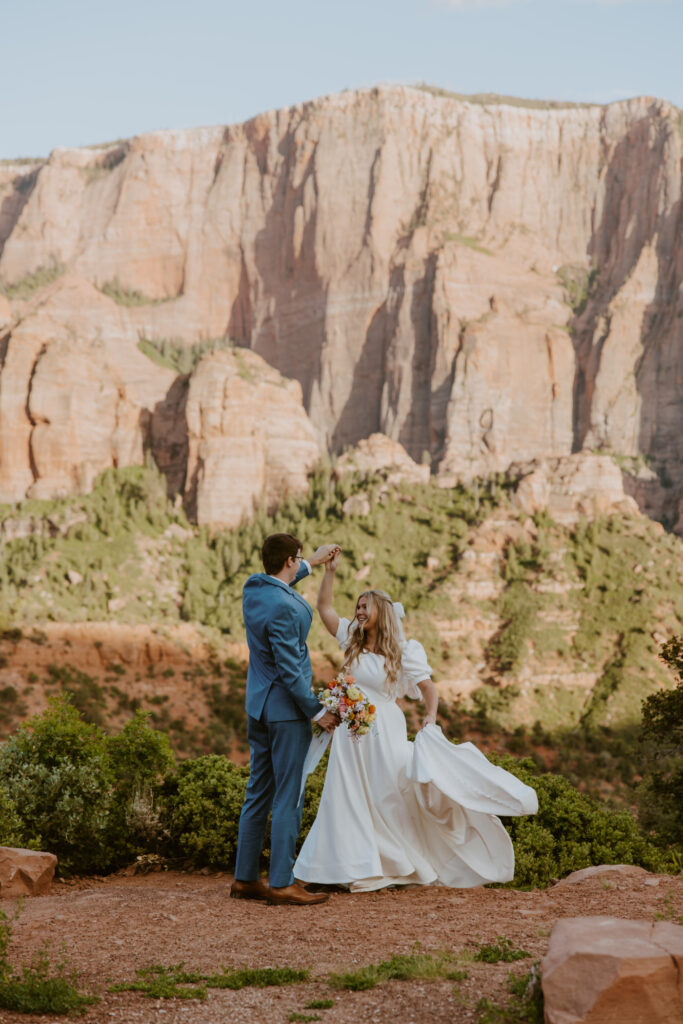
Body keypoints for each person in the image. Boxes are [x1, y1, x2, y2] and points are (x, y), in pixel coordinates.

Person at [294, 549, 538, 891]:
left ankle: (390, 860)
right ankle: (337, 868)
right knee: (344, 794)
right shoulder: (352, 639)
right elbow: (324, 609)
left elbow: (428, 688)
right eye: (358, 607)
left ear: (381, 612)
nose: (359, 611)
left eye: (365, 606)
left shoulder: (404, 652)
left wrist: (430, 717)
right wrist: (329, 572)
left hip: (385, 731)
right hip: (351, 732)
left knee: (386, 796)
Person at [231, 533, 340, 906]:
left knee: (258, 790)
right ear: (289, 560)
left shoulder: (254, 590)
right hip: (286, 712)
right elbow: (291, 671)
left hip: (258, 707)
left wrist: (313, 561)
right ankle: (281, 882)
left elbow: (282, 581)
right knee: (288, 795)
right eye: (297, 560)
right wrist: (319, 711)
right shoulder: (289, 610)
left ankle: (246, 878)